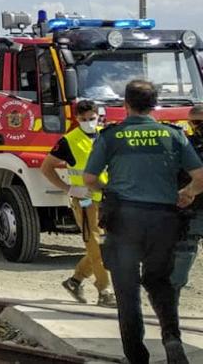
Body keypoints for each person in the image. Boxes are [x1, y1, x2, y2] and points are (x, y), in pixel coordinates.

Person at [84, 80, 203, 364]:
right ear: (154, 105)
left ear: (125, 105)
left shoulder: (111, 136)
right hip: (164, 220)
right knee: (160, 282)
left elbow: (89, 180)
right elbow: (200, 176)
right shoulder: (173, 134)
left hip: (125, 220)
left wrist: (106, 191)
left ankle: (137, 357)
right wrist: (186, 194)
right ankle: (172, 338)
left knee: (126, 291)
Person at [40, 99, 115, 307]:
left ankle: (75, 281)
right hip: (84, 199)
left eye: (92, 118)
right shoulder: (69, 140)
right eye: (84, 120)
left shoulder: (106, 135)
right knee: (96, 245)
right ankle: (105, 290)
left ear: (98, 115)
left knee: (103, 246)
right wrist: (67, 188)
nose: (89, 122)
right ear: (76, 119)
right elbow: (47, 167)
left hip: (108, 198)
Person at [171, 103, 203, 293]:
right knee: (185, 250)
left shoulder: (185, 144)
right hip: (192, 207)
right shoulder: (184, 144)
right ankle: (171, 296)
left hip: (191, 204)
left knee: (185, 250)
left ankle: (171, 297)